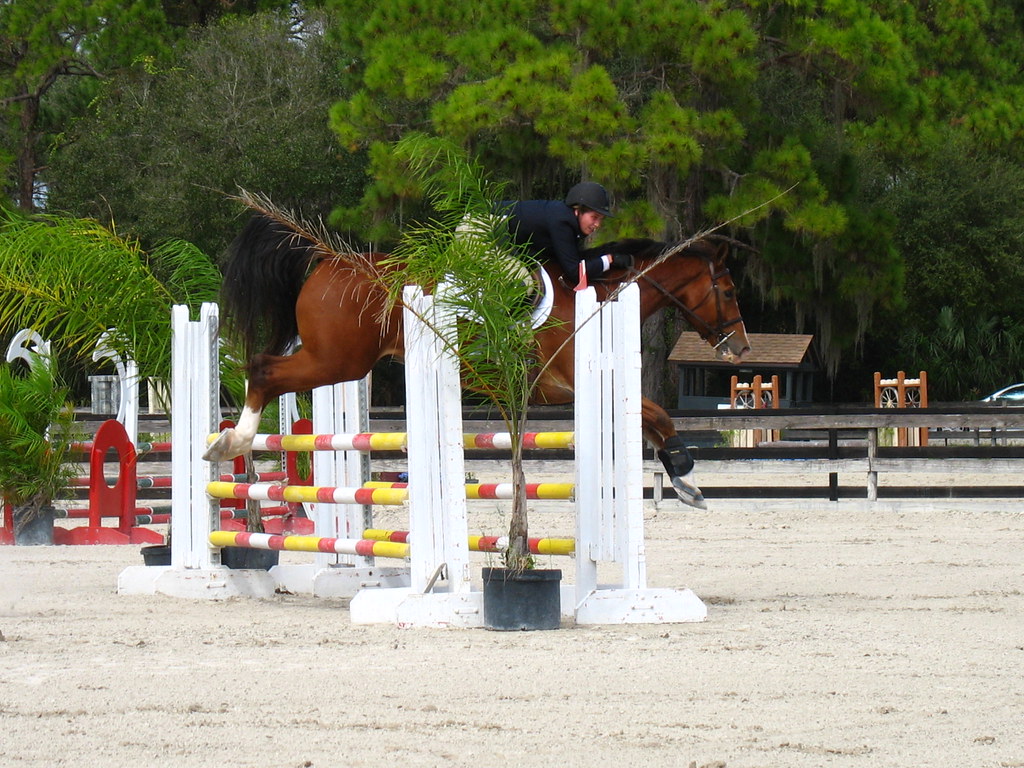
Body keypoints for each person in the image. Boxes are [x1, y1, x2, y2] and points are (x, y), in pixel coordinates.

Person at [499, 181, 633, 289]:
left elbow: (572, 261)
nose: (597, 224)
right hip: (487, 228)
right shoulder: (562, 222)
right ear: (577, 210)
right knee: (523, 285)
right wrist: (609, 260)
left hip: (502, 236)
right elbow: (576, 273)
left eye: (601, 219)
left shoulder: (567, 220)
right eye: (594, 217)